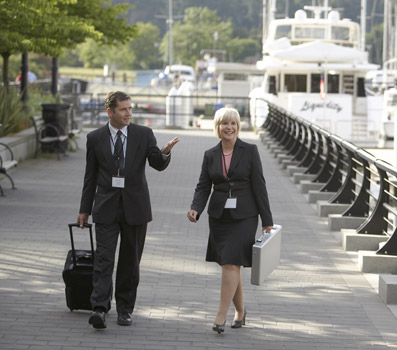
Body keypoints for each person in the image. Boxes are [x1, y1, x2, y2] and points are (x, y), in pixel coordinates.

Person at [77, 91, 180, 329]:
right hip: (105, 208)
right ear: (110, 112)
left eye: (130, 109)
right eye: (123, 109)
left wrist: (164, 152)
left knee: (130, 262)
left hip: (135, 208)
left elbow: (157, 164)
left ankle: (125, 309)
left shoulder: (143, 134)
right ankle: (100, 308)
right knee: (103, 260)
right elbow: (89, 177)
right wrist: (84, 209)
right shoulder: (95, 138)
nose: (128, 114)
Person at [187, 107, 273, 334]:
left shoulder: (250, 150)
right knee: (231, 265)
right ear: (218, 127)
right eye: (225, 123)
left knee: (231, 263)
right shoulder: (210, 155)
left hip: (245, 216)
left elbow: (259, 186)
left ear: (238, 126)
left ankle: (220, 315)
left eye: (233, 123)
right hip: (219, 218)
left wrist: (267, 220)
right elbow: (203, 186)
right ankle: (241, 312)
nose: (229, 127)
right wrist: (196, 208)